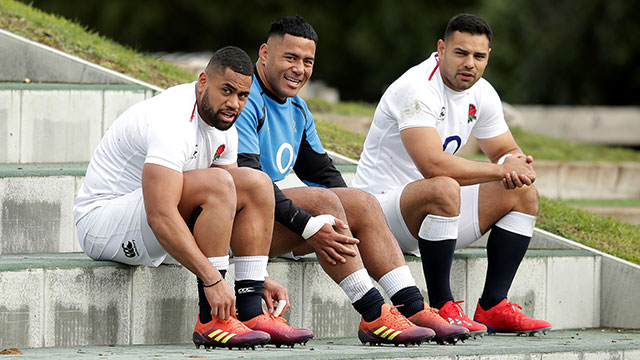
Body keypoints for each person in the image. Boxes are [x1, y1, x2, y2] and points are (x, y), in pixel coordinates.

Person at [234, 16, 470, 346]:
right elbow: (250, 182)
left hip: (272, 220)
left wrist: (356, 213)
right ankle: (374, 313)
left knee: (361, 201)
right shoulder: (246, 99)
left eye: (307, 61)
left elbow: (324, 173)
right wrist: (308, 224)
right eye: (290, 58)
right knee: (324, 203)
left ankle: (412, 307)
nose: (299, 69)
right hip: (235, 229)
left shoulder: (298, 109)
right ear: (264, 53)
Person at [73, 46, 311, 350]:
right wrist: (214, 280)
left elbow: (237, 201)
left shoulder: (225, 124)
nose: (233, 104)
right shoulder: (172, 119)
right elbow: (160, 214)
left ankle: (251, 311)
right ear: (203, 81)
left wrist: (257, 277)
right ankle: (212, 320)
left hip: (147, 217)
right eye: (226, 90)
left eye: (242, 96)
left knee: (255, 183)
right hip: (103, 225)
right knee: (219, 182)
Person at [353, 13, 552, 336]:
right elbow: (433, 165)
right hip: (380, 216)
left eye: (479, 56)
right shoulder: (417, 87)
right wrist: (501, 169)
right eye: (461, 53)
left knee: (521, 192)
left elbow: (505, 149)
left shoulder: (482, 92)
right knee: (443, 186)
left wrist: (517, 164)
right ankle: (443, 305)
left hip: (434, 219)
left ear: (488, 57)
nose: (469, 63)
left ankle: (493, 306)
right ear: (441, 49)